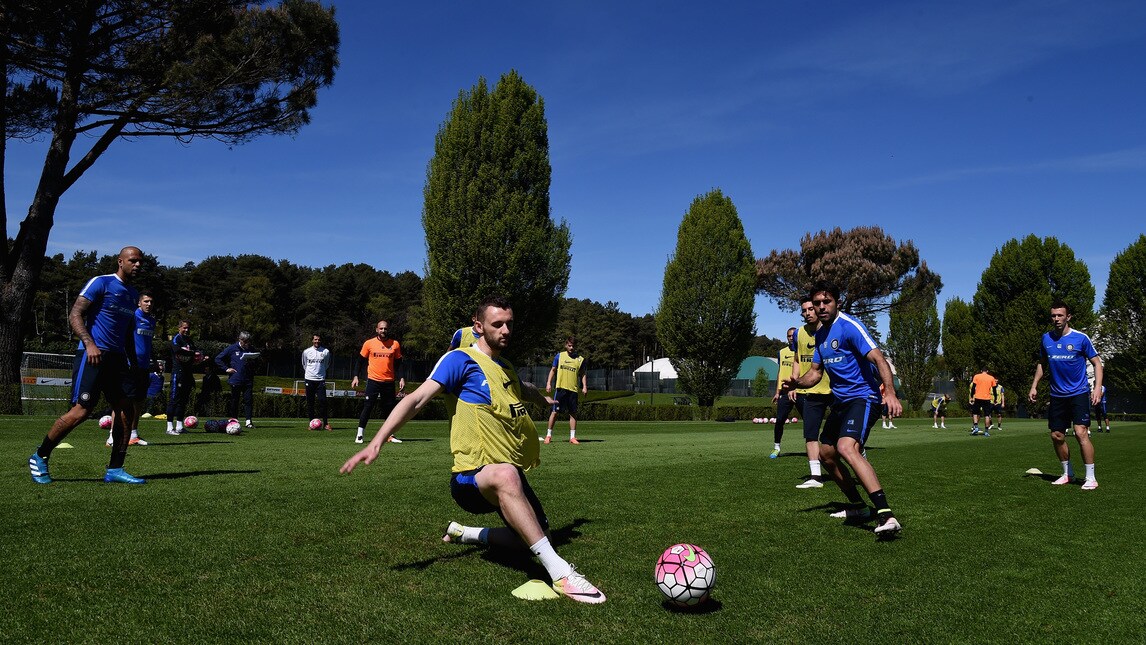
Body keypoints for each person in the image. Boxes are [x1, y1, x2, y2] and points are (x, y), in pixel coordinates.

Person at [340, 296, 606, 604]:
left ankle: (463, 533)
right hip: (470, 478)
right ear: (478, 326)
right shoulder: (460, 361)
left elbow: (523, 387)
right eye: (497, 324)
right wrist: (377, 441)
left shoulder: (504, 366)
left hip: (508, 477)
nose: (505, 330)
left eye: (509, 323)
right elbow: (416, 399)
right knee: (508, 476)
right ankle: (561, 574)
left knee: (534, 537)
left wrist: (542, 400)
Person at [781, 280, 903, 536]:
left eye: (827, 302)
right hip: (841, 401)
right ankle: (858, 506)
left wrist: (890, 392)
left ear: (837, 302)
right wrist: (796, 382)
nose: (822, 307)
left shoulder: (849, 327)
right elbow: (814, 374)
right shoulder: (821, 336)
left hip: (864, 398)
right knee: (826, 454)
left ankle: (886, 515)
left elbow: (878, 358)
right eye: (817, 303)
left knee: (847, 447)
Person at [28, 246, 147, 485]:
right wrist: (89, 343)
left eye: (140, 262)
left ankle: (115, 469)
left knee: (126, 410)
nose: (137, 265)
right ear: (120, 261)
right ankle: (40, 456)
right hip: (92, 355)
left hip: (116, 359)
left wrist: (133, 361)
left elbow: (125, 333)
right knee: (81, 411)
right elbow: (75, 314)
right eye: (133, 260)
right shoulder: (101, 283)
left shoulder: (133, 294)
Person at [1028, 301, 1103, 491]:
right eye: (1053, 316)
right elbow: (1042, 363)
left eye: (1060, 315)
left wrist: (1097, 388)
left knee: (1080, 433)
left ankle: (1091, 478)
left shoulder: (1081, 338)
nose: (1056, 319)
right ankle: (1067, 474)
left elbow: (1097, 363)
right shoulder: (1046, 339)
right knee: (1057, 435)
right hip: (1057, 395)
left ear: (1068, 317)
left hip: (1079, 393)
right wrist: (1034, 385)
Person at [793, 298, 833, 488]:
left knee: (844, 435)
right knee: (810, 433)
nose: (808, 313)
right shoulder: (799, 333)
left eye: (811, 309)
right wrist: (794, 384)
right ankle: (816, 477)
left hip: (834, 390)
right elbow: (797, 359)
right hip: (810, 391)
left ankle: (859, 458)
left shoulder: (832, 330)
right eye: (804, 310)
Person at [108, 292, 156, 447]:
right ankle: (112, 436)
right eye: (146, 301)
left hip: (144, 367)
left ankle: (133, 434)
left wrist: (154, 361)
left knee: (139, 401)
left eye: (151, 302)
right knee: (122, 400)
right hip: (129, 364)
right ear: (139, 303)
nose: (149, 304)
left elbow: (148, 344)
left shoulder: (152, 321)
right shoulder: (133, 317)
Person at [351, 320, 405, 444]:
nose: (383, 331)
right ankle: (359, 435)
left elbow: (399, 364)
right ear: (377, 330)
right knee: (368, 407)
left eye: (385, 329)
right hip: (373, 381)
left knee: (389, 410)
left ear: (388, 329)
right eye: (381, 329)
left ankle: (390, 435)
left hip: (389, 382)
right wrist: (355, 376)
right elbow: (359, 361)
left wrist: (401, 378)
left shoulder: (395, 344)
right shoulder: (369, 343)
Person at [544, 336, 588, 444]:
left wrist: (585, 386)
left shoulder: (580, 359)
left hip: (573, 390)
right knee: (555, 412)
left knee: (573, 413)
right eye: (569, 345)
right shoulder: (559, 356)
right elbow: (553, 370)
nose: (571, 347)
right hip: (561, 389)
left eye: (573, 346)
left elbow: (582, 374)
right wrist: (548, 383)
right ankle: (548, 435)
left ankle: (572, 437)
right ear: (566, 345)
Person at [216, 331, 259, 428]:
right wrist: (226, 369)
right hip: (236, 379)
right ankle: (234, 419)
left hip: (248, 379)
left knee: (248, 400)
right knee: (235, 400)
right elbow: (218, 359)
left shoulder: (251, 349)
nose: (246, 343)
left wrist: (252, 362)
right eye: (245, 341)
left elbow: (257, 362)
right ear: (240, 340)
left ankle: (248, 421)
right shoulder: (232, 348)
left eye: (248, 341)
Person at [769, 327, 799, 460]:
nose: (791, 338)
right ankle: (776, 447)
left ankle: (816, 450)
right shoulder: (781, 352)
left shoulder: (804, 351)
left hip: (800, 391)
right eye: (789, 336)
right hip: (785, 392)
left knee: (810, 421)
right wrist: (777, 392)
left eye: (793, 335)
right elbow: (780, 372)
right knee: (780, 420)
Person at [166, 320, 199, 435]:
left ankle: (179, 426)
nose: (186, 330)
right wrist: (192, 353)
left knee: (183, 400)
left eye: (188, 328)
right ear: (179, 328)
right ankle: (169, 427)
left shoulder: (189, 340)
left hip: (187, 373)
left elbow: (196, 351)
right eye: (184, 328)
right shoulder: (177, 339)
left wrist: (199, 355)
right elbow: (176, 350)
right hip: (178, 373)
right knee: (174, 399)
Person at [302, 333, 332, 431]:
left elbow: (326, 364)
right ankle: (311, 423)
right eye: (315, 339)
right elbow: (304, 364)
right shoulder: (306, 352)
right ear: (312, 340)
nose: (317, 341)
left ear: (320, 340)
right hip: (309, 379)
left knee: (323, 401)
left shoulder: (326, 351)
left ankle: (326, 424)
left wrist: (320, 374)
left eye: (318, 340)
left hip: (320, 380)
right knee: (310, 402)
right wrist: (310, 374)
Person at [968, 368, 997, 437]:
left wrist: (972, 396)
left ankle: (976, 427)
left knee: (975, 413)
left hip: (978, 397)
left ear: (981, 371)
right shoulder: (991, 378)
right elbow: (994, 389)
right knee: (987, 415)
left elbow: (973, 387)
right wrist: (995, 398)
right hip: (987, 398)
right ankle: (986, 431)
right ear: (987, 371)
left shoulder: (977, 376)